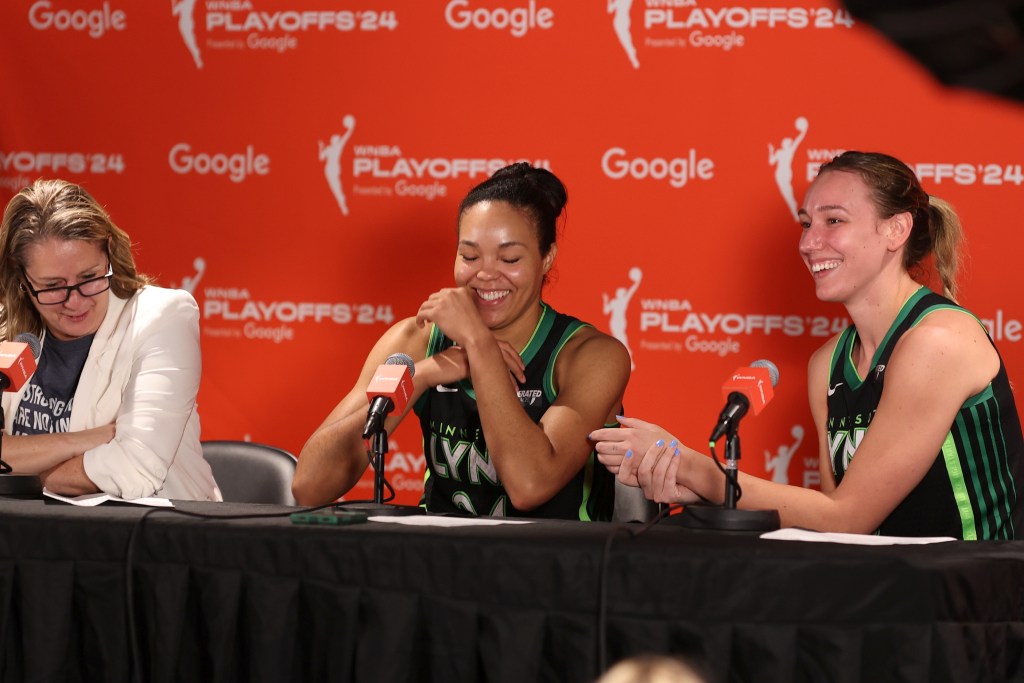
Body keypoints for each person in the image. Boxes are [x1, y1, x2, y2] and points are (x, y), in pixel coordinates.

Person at [592, 151, 1023, 539]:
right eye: (806, 223)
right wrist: (702, 490)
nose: (808, 243)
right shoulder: (828, 363)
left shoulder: (938, 340)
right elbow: (831, 520)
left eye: (833, 221)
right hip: (888, 586)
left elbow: (847, 517)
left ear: (896, 229)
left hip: (977, 592)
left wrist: (698, 469)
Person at [293, 163, 630, 519]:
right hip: (440, 552)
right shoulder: (417, 341)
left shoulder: (591, 356)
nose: (485, 273)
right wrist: (423, 375)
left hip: (552, 554)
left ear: (547, 258)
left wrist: (478, 345)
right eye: (469, 256)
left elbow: (530, 484)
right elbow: (310, 486)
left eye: (509, 258)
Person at [0, 179, 221, 501]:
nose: (75, 301)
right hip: (25, 528)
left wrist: (21, 478)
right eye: (53, 286)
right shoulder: (6, 326)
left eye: (89, 277)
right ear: (22, 279)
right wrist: (89, 439)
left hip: (150, 526)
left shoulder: (162, 316)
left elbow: (135, 468)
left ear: (109, 254)